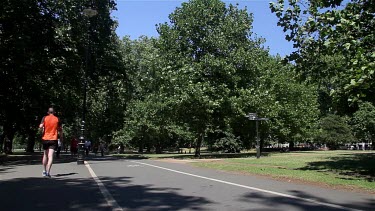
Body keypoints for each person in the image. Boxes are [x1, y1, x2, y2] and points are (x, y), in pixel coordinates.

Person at [39, 108, 62, 178]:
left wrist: (41, 131)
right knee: (50, 155)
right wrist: (61, 138)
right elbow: (60, 130)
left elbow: (40, 126)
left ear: (48, 112)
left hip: (45, 138)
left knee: (45, 155)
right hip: (53, 139)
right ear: (54, 112)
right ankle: (48, 172)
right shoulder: (57, 119)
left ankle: (44, 171)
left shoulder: (44, 118)